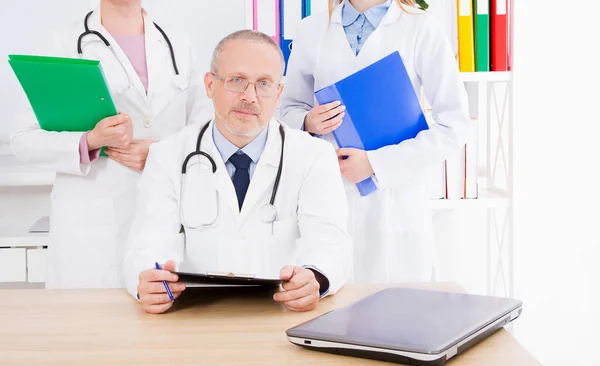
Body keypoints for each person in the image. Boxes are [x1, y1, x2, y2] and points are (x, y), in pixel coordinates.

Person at [123, 30, 350, 314]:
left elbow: (330, 243)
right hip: (193, 320)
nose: (250, 96)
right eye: (236, 80)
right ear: (209, 85)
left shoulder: (314, 156)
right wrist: (149, 280)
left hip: (281, 319)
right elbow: (148, 242)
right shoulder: (168, 155)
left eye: (264, 84)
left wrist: (315, 277)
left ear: (279, 93)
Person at [10, 0, 212, 289]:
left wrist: (160, 152)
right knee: (91, 326)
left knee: (160, 323)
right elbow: (22, 139)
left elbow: (204, 132)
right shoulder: (62, 43)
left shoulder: (178, 45)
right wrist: (90, 140)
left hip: (164, 214)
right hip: (92, 224)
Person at [280, 0, 471, 283]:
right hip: (328, 191)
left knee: (396, 312)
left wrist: (376, 164)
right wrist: (307, 122)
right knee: (328, 307)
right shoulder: (311, 30)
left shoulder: (422, 27)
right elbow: (287, 109)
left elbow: (454, 125)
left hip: (395, 200)